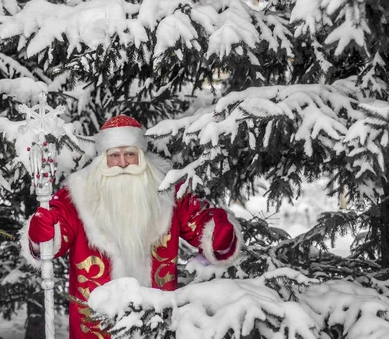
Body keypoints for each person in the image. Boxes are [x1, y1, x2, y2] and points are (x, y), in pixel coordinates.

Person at [21, 115, 242, 339]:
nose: (123, 163)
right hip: (96, 326)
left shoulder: (167, 188)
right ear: (103, 158)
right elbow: (52, 235)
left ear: (141, 156)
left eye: (130, 154)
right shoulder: (77, 193)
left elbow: (198, 221)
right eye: (115, 155)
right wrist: (42, 235)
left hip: (156, 321)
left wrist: (218, 236)